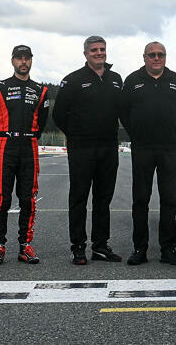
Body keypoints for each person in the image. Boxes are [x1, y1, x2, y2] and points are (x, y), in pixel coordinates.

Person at [53, 36, 124, 265]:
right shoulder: (73, 80)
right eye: (94, 50)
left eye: (102, 49)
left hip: (108, 148)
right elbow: (59, 115)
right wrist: (76, 135)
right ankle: (78, 246)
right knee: (79, 198)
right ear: (85, 53)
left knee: (103, 199)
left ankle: (100, 246)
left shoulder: (115, 79)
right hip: (82, 148)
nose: (99, 53)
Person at [0, 45, 49, 265]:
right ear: (12, 61)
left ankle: (25, 245)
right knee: (1, 198)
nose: (23, 62)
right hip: (4, 144)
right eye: (19, 58)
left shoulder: (41, 90)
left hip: (28, 145)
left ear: (31, 60)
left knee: (28, 198)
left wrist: (27, 137)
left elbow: (42, 123)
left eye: (27, 58)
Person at [121, 41, 176, 266]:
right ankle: (140, 248)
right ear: (144, 57)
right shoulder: (132, 81)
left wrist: (169, 133)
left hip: (169, 148)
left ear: (166, 57)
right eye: (152, 55)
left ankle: (167, 248)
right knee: (141, 199)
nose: (156, 58)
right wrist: (138, 134)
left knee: (169, 199)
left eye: (160, 54)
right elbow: (124, 113)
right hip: (142, 148)